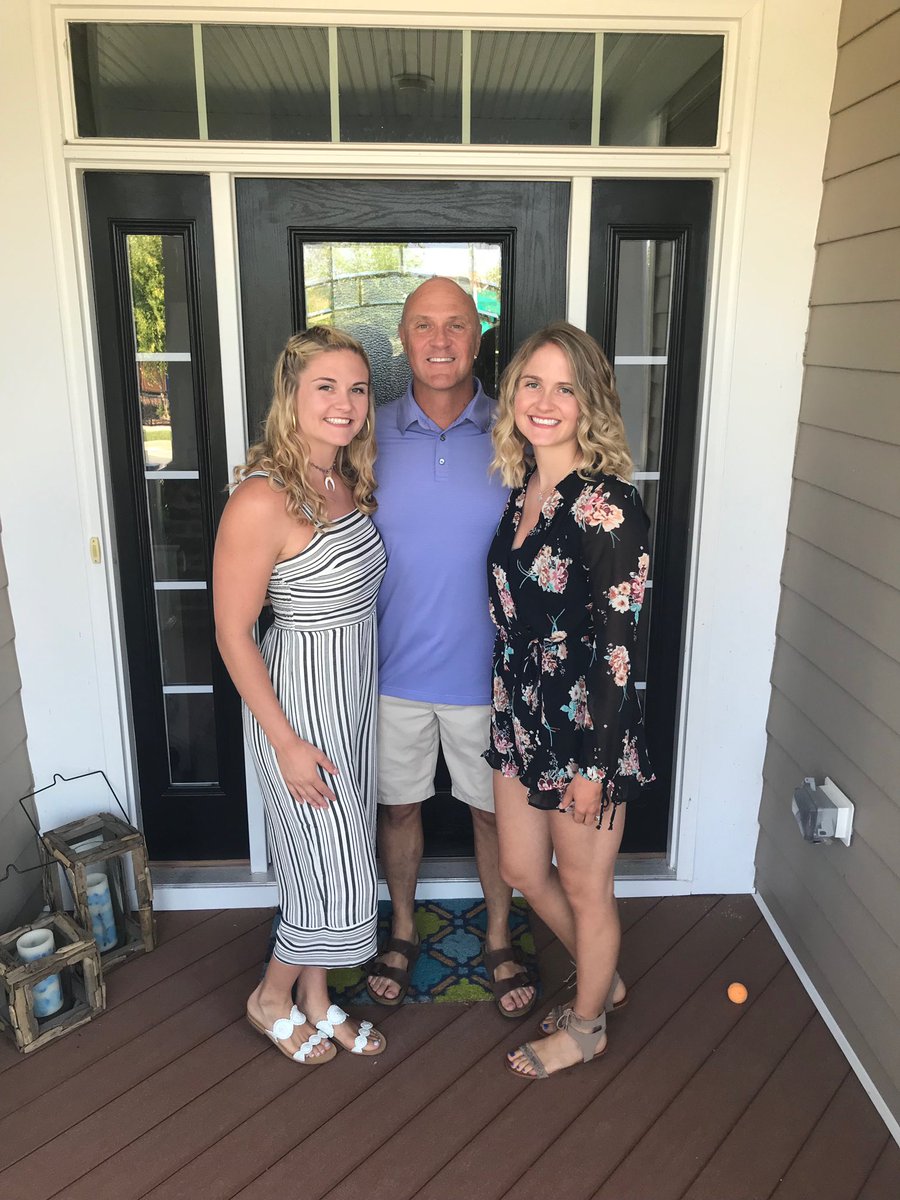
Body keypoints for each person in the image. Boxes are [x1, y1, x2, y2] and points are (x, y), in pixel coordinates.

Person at [485, 321, 654, 1078]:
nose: (545, 401)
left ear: (591, 403)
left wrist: (594, 767)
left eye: (565, 388)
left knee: (587, 887)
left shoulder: (608, 507)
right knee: (523, 867)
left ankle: (587, 1027)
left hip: (587, 726)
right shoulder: (525, 488)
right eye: (533, 383)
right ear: (514, 393)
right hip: (521, 714)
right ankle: (600, 973)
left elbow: (621, 651)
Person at [213, 326, 387, 1065]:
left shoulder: (343, 479)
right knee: (333, 871)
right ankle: (271, 996)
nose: (344, 403)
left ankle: (317, 998)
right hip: (299, 708)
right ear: (290, 396)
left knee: (331, 862)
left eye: (357, 388)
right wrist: (285, 742)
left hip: (355, 700)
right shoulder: (262, 498)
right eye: (325, 386)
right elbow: (232, 633)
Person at [366, 277, 535, 1016]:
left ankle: (498, 936)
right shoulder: (364, 432)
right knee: (399, 810)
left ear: (478, 337)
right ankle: (402, 929)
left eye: (456, 325)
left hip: (488, 678)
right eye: (424, 325)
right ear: (403, 338)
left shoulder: (517, 430)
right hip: (389, 671)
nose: (440, 341)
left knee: (494, 816)